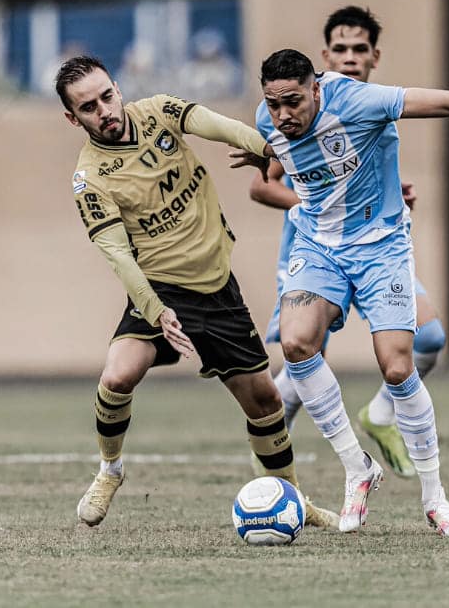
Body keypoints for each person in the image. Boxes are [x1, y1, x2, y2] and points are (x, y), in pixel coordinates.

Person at [242, 48, 449, 536]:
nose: (281, 115)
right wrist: (260, 146)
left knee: (399, 366)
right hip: (318, 245)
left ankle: (434, 498)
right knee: (296, 343)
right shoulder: (268, 118)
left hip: (382, 248)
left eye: (292, 102)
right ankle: (357, 469)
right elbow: (269, 159)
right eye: (273, 104)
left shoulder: (361, 101)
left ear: (316, 87)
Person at [55, 55, 337, 530]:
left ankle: (293, 502)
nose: (103, 110)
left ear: (118, 89)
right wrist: (156, 310)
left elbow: (221, 127)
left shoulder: (161, 111)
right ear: (73, 118)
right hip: (159, 292)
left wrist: (272, 151)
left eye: (106, 96)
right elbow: (118, 255)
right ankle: (110, 469)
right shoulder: (91, 178)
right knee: (119, 375)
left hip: (217, 289)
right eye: (88, 107)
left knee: (265, 402)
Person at [249, 6, 445, 480]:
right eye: (340, 49)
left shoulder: (370, 105)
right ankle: (269, 465)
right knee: (305, 359)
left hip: (377, 247)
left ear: (375, 56)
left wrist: (395, 194)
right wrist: (319, 199)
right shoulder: (297, 112)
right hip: (316, 244)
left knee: (430, 337)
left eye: (359, 49)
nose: (349, 57)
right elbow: (264, 184)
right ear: (323, 57)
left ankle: (379, 415)